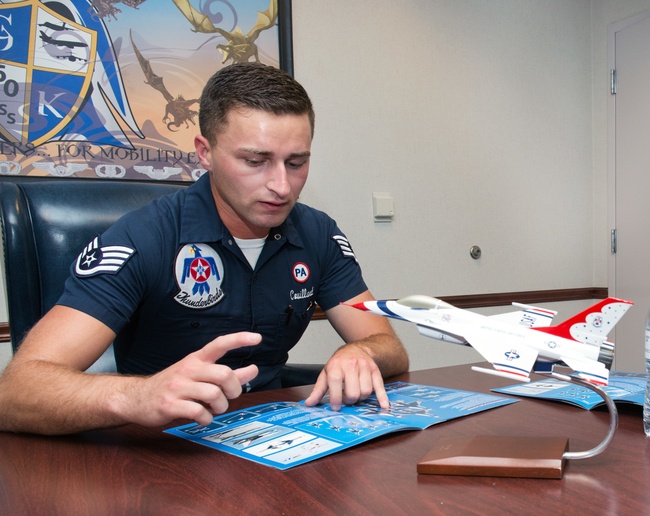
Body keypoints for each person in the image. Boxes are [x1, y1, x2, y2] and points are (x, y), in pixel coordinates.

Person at [0, 62, 408, 435]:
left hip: (273, 437)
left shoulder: (317, 234)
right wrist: (137, 396)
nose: (282, 186)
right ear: (205, 152)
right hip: (157, 450)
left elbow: (388, 345)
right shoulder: (143, 237)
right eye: (255, 161)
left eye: (296, 163)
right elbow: (16, 392)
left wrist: (360, 353)